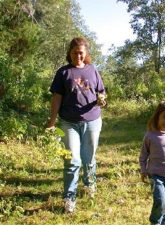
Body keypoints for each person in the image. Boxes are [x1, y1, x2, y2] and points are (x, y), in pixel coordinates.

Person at [47, 37, 106, 213]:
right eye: (74, 53)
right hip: (68, 122)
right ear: (69, 53)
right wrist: (51, 122)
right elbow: (56, 98)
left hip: (92, 121)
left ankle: (90, 187)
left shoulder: (93, 70)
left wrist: (102, 99)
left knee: (89, 159)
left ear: (86, 53)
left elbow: (101, 92)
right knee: (72, 160)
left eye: (81, 53)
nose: (78, 56)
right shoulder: (63, 72)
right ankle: (69, 198)